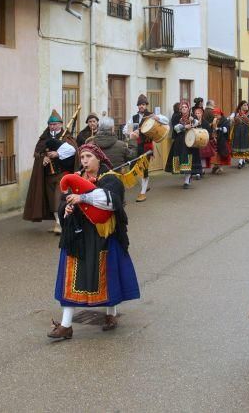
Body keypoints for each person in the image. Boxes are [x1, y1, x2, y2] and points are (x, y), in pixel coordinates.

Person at [49, 143, 140, 339]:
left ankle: (111, 314)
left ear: (99, 158)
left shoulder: (111, 180)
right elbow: (64, 200)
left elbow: (109, 202)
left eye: (89, 156)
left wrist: (82, 199)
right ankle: (66, 325)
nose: (85, 161)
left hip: (103, 237)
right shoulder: (77, 178)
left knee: (108, 277)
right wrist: (66, 209)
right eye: (82, 157)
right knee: (70, 278)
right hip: (78, 237)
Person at [23, 110, 78, 234]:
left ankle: (60, 224)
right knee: (51, 200)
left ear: (60, 124)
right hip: (48, 175)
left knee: (59, 198)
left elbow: (74, 151)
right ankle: (58, 222)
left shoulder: (66, 137)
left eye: (55, 124)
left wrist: (57, 153)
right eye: (50, 124)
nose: (52, 126)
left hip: (62, 174)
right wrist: (44, 158)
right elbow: (37, 153)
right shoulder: (44, 138)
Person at [165, 100, 200, 188]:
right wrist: (185, 127)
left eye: (186, 107)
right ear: (180, 109)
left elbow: (197, 124)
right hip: (180, 140)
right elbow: (176, 128)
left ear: (188, 108)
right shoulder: (177, 116)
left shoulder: (192, 116)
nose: (184, 109)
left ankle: (186, 181)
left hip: (190, 140)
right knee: (182, 159)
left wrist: (193, 121)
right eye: (182, 107)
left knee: (189, 158)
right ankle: (186, 178)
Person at [128, 94, 153, 202]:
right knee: (134, 167)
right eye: (139, 105)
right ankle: (145, 185)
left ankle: (142, 193)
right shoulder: (133, 117)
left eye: (143, 104)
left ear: (146, 105)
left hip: (147, 145)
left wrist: (157, 118)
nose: (141, 106)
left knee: (145, 168)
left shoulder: (151, 115)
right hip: (136, 146)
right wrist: (131, 133)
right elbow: (126, 129)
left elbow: (164, 121)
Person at [230, 100, 249, 168]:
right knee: (239, 145)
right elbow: (229, 119)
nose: (246, 106)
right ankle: (243, 160)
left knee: (244, 145)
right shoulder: (236, 113)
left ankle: (240, 161)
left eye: (247, 105)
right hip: (237, 131)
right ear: (241, 106)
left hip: (245, 131)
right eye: (244, 105)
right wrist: (232, 119)